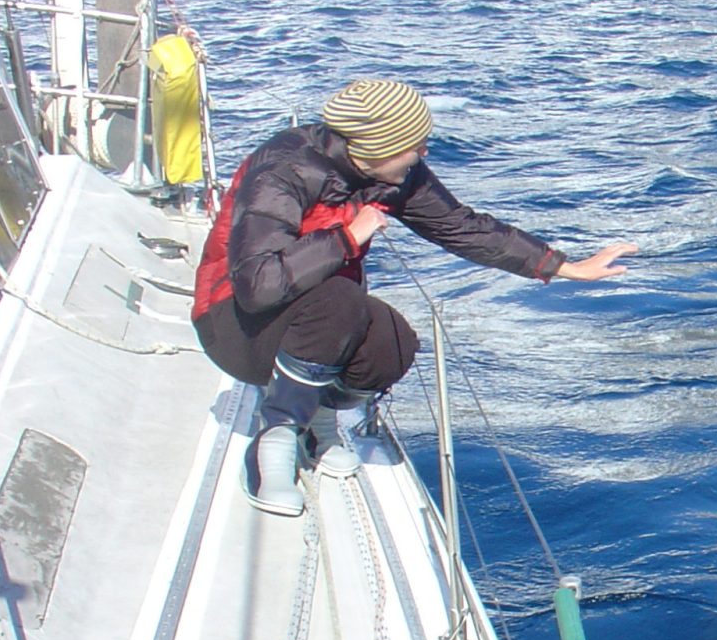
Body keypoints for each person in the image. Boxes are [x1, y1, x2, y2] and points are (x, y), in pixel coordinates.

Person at [191, 78, 633, 515]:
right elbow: (257, 285)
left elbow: (463, 227)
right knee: (340, 300)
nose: (424, 154)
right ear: (376, 146)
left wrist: (564, 266)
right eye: (414, 145)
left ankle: (318, 423)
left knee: (394, 344)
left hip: (311, 320)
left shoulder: (390, 175)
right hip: (232, 326)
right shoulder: (283, 170)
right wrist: (348, 237)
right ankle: (275, 441)